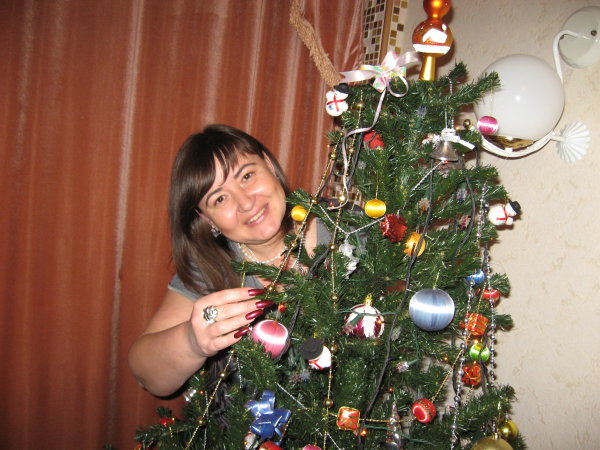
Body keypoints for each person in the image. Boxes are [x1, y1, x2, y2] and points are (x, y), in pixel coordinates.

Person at [128, 124, 328, 397]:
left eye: (247, 176)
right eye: (220, 198)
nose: (245, 203)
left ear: (269, 165)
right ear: (207, 218)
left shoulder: (347, 227)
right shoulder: (211, 267)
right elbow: (147, 374)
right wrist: (192, 341)